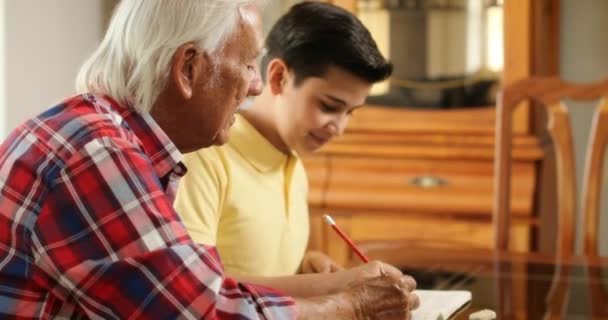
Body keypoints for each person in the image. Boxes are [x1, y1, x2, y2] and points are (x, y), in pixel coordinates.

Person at [0, 0, 419, 319]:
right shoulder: (98, 154)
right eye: (247, 63)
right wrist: (353, 304)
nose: (255, 87)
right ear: (188, 69)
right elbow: (204, 309)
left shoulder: (106, 136)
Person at [174, 0, 406, 298]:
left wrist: (305, 266)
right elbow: (194, 289)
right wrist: (336, 285)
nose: (338, 127)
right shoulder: (203, 156)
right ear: (278, 77)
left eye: (350, 112)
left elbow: (258, 270)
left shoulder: (293, 163)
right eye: (329, 106)